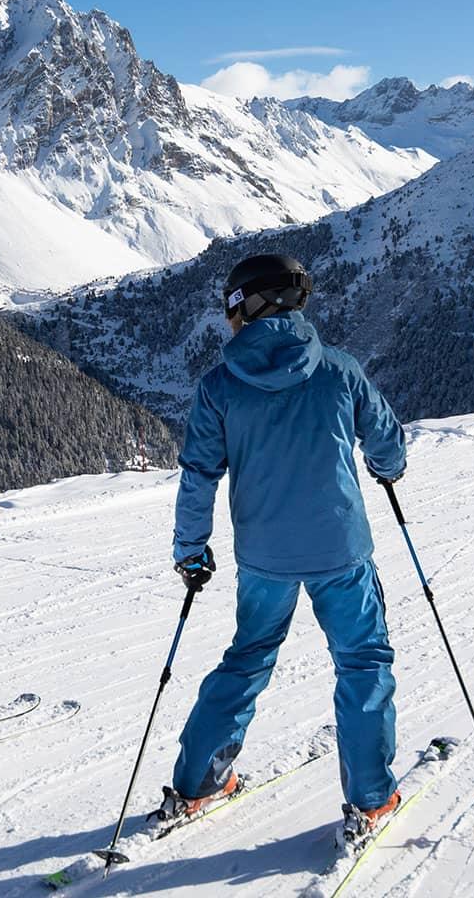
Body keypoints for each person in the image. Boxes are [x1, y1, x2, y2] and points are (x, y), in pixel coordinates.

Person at [164, 253, 409, 845]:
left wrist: (191, 549)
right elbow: (387, 444)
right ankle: (371, 799)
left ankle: (199, 782)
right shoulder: (340, 370)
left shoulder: (219, 385)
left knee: (248, 657)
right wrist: (385, 468)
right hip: (341, 551)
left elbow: (200, 473)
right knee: (362, 662)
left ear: (248, 305)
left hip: (264, 556)